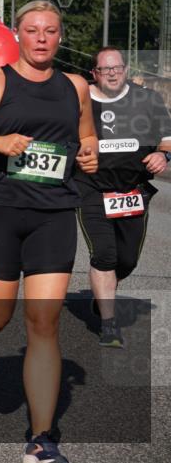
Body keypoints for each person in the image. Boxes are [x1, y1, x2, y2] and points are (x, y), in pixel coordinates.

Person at [0, 0, 98, 463]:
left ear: (60, 36)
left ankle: (42, 438)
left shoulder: (75, 87)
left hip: (54, 211)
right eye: (33, 30)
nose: (42, 38)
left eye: (50, 31)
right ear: (17, 34)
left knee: (44, 322)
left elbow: (85, 137)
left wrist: (89, 155)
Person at [74, 47, 170, 347]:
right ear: (95, 74)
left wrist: (162, 155)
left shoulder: (148, 100)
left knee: (126, 260)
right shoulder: (80, 100)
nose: (112, 73)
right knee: (104, 254)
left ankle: (103, 297)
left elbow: (167, 140)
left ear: (126, 70)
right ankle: (109, 324)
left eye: (117, 68)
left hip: (132, 191)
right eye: (105, 69)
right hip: (91, 189)